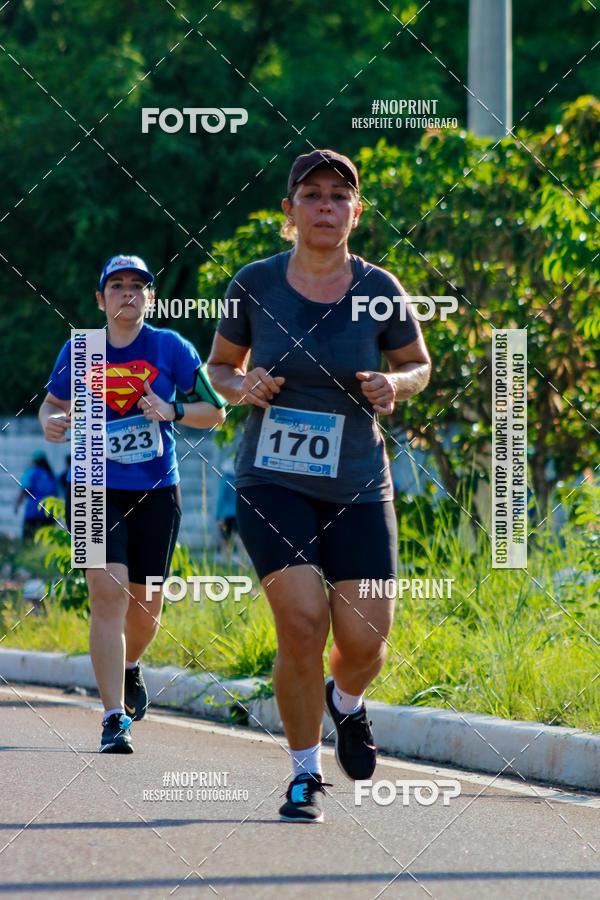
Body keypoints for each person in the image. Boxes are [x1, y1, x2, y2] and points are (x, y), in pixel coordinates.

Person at [207, 150, 431, 822]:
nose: (326, 206)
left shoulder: (380, 287)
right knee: (302, 623)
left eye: (339, 196)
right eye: (312, 195)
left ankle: (347, 701)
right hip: (272, 478)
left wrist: (396, 384)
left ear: (355, 213)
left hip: (359, 481)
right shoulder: (254, 283)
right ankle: (305, 774)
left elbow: (417, 364)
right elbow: (220, 367)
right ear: (290, 211)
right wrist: (241, 384)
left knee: (365, 642)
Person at [39, 254, 225, 753]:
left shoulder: (171, 347)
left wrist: (172, 409)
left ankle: (129, 665)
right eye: (117, 286)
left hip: (156, 490)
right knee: (107, 592)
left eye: (138, 286)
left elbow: (216, 411)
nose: (128, 293)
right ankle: (112, 717)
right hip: (91, 484)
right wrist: (50, 422)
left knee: (146, 607)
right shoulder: (81, 349)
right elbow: (53, 403)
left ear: (151, 298)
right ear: (101, 299)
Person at [14, 451, 59, 540]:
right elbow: (56, 493)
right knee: (47, 539)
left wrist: (17, 505)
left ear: (34, 461)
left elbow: (24, 491)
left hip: (33, 511)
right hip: (49, 512)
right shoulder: (51, 475)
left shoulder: (30, 473)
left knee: (28, 539)